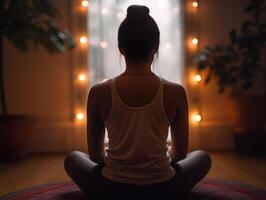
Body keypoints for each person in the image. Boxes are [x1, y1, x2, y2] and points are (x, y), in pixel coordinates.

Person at [64, 5, 211, 200]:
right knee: (202, 157)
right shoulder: (175, 92)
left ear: (120, 49)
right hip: (164, 189)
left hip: (110, 190)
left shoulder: (98, 92)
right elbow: (180, 155)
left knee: (73, 158)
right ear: (156, 47)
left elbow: (96, 157)